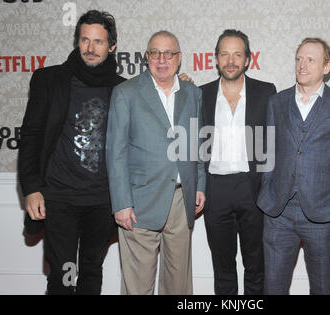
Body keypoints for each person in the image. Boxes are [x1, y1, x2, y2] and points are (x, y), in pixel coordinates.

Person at [18, 10, 125, 294]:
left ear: (111, 46)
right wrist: (31, 189)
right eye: (85, 40)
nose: (90, 48)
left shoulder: (123, 90)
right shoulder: (49, 80)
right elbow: (30, 137)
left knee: (91, 271)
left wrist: (181, 86)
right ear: (77, 41)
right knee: (64, 274)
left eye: (99, 42)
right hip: (59, 198)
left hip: (102, 200)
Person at [106, 30, 206, 295]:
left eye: (169, 53)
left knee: (178, 284)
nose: (162, 59)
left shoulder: (192, 93)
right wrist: (122, 203)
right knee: (138, 285)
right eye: (155, 53)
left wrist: (200, 185)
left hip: (181, 200)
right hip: (138, 202)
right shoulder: (125, 93)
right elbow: (115, 151)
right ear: (146, 57)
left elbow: (195, 144)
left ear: (179, 57)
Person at [257, 38, 330, 295]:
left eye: (311, 59)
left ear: (327, 66)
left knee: (321, 287)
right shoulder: (276, 103)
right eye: (299, 58)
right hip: (278, 212)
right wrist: (267, 189)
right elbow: (266, 152)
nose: (302, 65)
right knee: (273, 287)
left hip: (322, 213)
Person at [200, 29, 276, 295]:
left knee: (256, 264)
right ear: (215, 59)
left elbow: (274, 144)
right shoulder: (201, 95)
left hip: (252, 189)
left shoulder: (267, 93)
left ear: (247, 60)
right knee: (222, 267)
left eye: (237, 54)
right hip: (215, 190)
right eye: (224, 54)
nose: (230, 60)